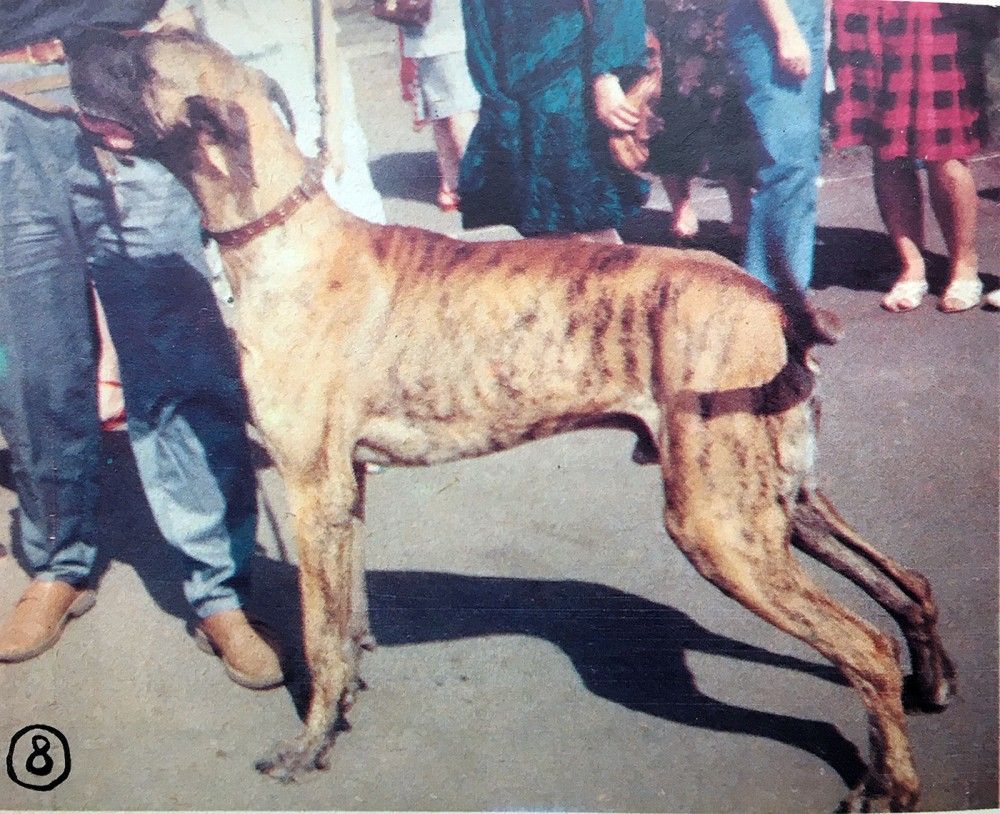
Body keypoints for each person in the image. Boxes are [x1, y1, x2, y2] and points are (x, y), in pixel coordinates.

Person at [0, 1, 282, 689]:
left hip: (127, 82)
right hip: (6, 106)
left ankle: (219, 589)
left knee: (178, 357)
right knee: (34, 367)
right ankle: (58, 561)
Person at [829, 1, 992, 313]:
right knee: (887, 149)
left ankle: (964, 268)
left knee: (945, 148)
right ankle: (912, 267)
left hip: (933, 12)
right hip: (869, 10)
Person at [169, 0, 386, 226]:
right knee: (259, 210)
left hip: (303, 74)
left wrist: (333, 128)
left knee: (348, 199)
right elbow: (178, 27)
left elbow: (325, 32)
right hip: (231, 82)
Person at [458, 0, 649, 243]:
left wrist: (607, 75)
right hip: (512, 83)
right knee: (541, 224)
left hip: (567, 81)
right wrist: (492, 93)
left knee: (586, 220)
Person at [726, 0, 826, 299]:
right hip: (771, 23)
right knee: (787, 162)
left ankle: (788, 288)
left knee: (801, 162)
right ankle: (769, 295)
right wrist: (786, 30)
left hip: (805, 19)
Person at [645, 0, 754, 241]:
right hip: (668, 14)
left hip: (720, 16)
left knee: (729, 113)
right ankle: (681, 208)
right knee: (671, 109)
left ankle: (741, 212)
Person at [400, 0, 480, 212]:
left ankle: (457, 184)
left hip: (429, 30)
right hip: (441, 30)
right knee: (453, 111)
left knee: (446, 110)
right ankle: (472, 185)